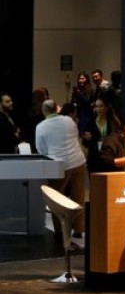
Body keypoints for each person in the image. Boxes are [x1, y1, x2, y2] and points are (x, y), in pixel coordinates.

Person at [34, 99, 87, 239]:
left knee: (56, 199)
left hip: (58, 166)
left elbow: (41, 149)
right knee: (78, 196)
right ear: (56, 109)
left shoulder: (41, 127)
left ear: (44, 111)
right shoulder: (69, 121)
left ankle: (60, 231)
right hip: (77, 161)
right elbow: (76, 137)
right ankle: (79, 229)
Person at [85, 94, 122, 172]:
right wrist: (89, 139)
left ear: (106, 107)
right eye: (96, 106)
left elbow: (117, 139)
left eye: (101, 106)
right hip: (94, 158)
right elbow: (86, 144)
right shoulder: (91, 122)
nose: (98, 109)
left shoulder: (113, 121)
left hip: (109, 156)